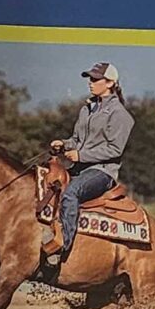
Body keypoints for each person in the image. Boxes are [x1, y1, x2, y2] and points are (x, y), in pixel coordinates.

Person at [41, 62, 134, 278]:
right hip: (80, 168)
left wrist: (81, 155)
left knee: (71, 193)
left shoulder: (120, 114)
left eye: (95, 79)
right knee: (47, 185)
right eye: (89, 79)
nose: (90, 83)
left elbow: (114, 149)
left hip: (102, 172)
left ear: (110, 83)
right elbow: (77, 140)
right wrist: (63, 144)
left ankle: (62, 245)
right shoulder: (87, 109)